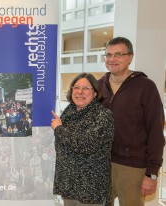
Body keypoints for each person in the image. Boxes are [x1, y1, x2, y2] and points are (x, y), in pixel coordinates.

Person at [98, 37, 165, 206]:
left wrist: (152, 173)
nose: (112, 59)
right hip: (100, 164)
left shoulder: (145, 87)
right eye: (108, 54)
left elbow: (156, 131)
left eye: (119, 54)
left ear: (130, 57)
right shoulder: (97, 86)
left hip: (132, 166)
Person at [51, 73, 114, 206]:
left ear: (95, 93)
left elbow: (87, 145)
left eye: (86, 88)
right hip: (69, 185)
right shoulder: (69, 111)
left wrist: (59, 129)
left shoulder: (103, 115)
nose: (80, 92)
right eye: (76, 87)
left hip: (90, 188)